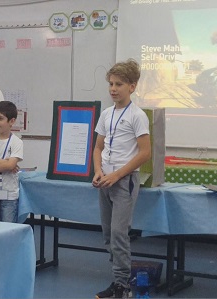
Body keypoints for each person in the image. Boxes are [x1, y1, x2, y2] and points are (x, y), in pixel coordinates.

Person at [92, 59, 151, 298]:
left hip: (123, 181)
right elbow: (98, 147)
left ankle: (122, 286)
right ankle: (117, 280)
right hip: (105, 180)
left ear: (132, 87)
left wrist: (117, 174)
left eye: (119, 84)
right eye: (111, 84)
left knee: (119, 233)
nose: (113, 88)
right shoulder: (107, 114)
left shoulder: (137, 116)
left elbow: (145, 152)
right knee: (108, 234)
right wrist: (98, 171)